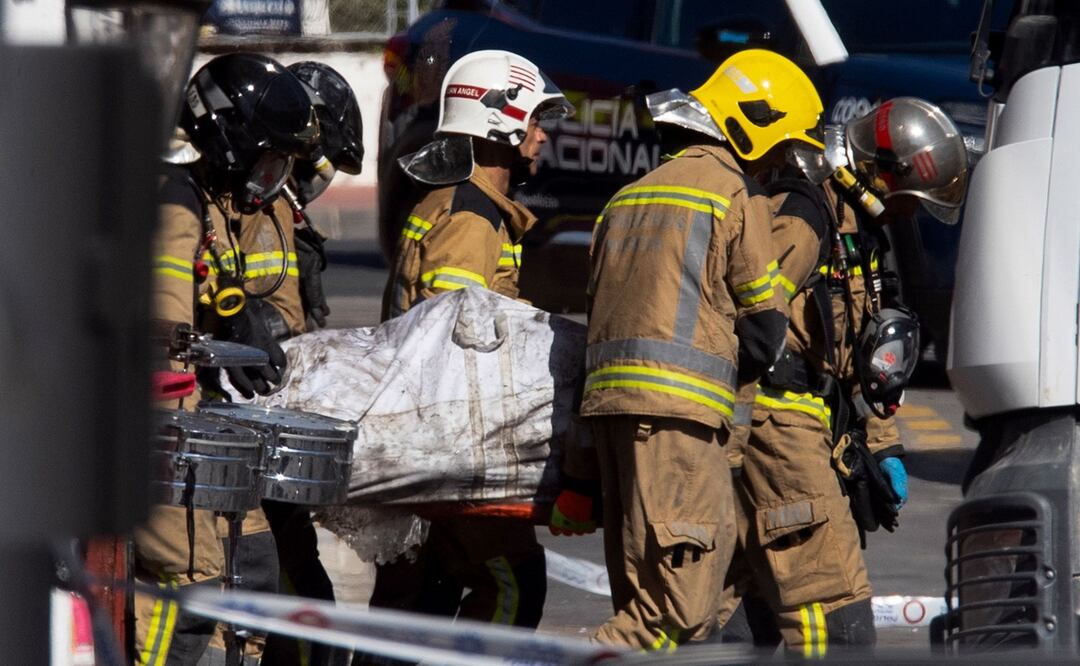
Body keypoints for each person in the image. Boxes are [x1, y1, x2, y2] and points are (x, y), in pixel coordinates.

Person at [573, 49, 823, 651]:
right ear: (753, 125)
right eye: (779, 144)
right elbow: (764, 328)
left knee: (644, 597)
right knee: (675, 612)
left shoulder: (627, 197)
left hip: (611, 422)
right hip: (679, 427)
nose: (776, 163)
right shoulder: (734, 195)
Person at [718, 96, 969, 656]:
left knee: (751, 603)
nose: (908, 215)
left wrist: (882, 444)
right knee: (836, 610)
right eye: (907, 201)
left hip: (809, 422)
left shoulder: (858, 228)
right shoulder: (808, 215)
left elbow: (857, 347)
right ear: (882, 173)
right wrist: (726, 450)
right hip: (776, 424)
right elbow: (744, 328)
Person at [363, 49, 573, 644]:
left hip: (418, 439)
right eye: (534, 120)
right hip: (448, 445)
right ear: (499, 123)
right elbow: (451, 350)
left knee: (411, 603)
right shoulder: (470, 218)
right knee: (511, 583)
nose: (541, 135)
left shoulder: (456, 201)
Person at [135, 52, 318, 665]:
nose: (274, 177)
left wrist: (235, 322)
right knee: (185, 588)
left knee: (252, 563)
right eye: (271, 159)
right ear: (230, 141)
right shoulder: (175, 205)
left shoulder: (201, 196)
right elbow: (159, 333)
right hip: (163, 431)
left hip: (191, 424)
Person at [250, 59, 364, 666]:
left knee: (299, 581)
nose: (314, 181)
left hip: (278, 407)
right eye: (314, 165)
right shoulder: (252, 209)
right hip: (254, 411)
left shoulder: (280, 209)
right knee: (284, 578)